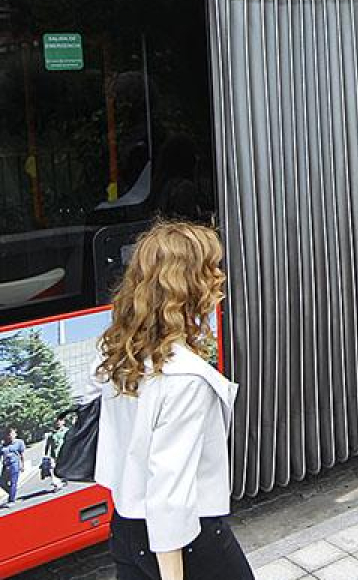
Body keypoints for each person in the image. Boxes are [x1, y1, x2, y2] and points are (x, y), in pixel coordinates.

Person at [93, 222, 250, 580]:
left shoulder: (120, 352)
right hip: (186, 542)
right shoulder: (185, 378)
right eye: (211, 268)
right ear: (188, 284)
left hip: (125, 527)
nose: (219, 278)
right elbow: (169, 494)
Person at [1, 428, 25, 508]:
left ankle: (11, 500)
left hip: (14, 465)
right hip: (6, 465)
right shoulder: (4, 444)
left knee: (13, 483)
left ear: (15, 434)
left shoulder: (19, 442)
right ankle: (12, 493)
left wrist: (22, 465)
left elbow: (22, 455)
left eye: (12, 434)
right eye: (9, 434)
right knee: (1, 482)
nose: (10, 436)